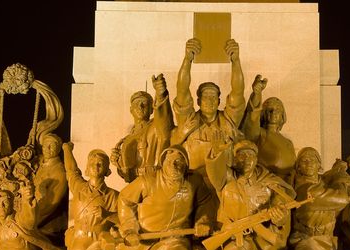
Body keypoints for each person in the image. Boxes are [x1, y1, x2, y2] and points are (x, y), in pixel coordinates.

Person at [114, 145, 213, 250]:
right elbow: (124, 200)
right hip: (145, 240)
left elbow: (206, 203)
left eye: (180, 162)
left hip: (176, 238)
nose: (175, 165)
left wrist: (203, 221)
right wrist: (130, 228)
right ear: (163, 161)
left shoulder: (194, 182)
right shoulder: (147, 180)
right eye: (171, 161)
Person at [205, 139, 295, 250]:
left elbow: (284, 202)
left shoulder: (269, 181)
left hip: (262, 240)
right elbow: (214, 171)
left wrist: (279, 217)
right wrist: (216, 154)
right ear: (234, 158)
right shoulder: (226, 178)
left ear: (257, 158)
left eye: (250, 155)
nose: (246, 159)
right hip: (234, 237)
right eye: (241, 155)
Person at [171, 38, 245, 171]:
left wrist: (236, 61)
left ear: (219, 101)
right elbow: (182, 90)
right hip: (193, 181)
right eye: (205, 97)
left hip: (223, 184)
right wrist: (187, 60)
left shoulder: (228, 122)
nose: (210, 100)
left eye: (213, 97)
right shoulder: (189, 121)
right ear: (198, 101)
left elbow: (237, 92)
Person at [63, 142, 118, 250]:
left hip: (98, 241)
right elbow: (71, 170)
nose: (96, 166)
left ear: (107, 170)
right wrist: (66, 150)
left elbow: (125, 219)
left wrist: (107, 214)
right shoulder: (79, 187)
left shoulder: (113, 196)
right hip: (78, 240)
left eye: (101, 163)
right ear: (87, 168)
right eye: (93, 163)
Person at [111, 74, 174, 183]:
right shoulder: (126, 140)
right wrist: (118, 162)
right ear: (131, 110)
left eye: (144, 103)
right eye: (137, 104)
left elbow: (164, 119)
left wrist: (160, 95)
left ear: (151, 110)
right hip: (135, 184)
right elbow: (126, 174)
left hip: (154, 181)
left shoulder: (155, 127)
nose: (140, 107)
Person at [241, 74, 296, 181]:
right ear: (263, 113)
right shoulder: (259, 134)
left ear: (282, 116)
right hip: (264, 182)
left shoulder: (288, 143)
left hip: (286, 184)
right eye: (269, 109)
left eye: (277, 110)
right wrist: (257, 94)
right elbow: (252, 119)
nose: (273, 112)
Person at [33, 134, 68, 238]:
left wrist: (30, 220)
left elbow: (50, 205)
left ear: (58, 149)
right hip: (34, 211)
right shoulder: (41, 164)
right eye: (44, 146)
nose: (47, 149)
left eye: (51, 146)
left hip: (47, 222)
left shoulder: (59, 172)